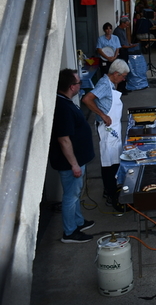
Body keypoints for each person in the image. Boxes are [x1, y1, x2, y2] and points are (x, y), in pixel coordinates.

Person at [51, 69, 96, 243]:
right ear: (72, 87)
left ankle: (78, 222)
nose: (80, 85)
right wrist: (74, 164)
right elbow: (64, 140)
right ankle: (69, 232)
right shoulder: (62, 107)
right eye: (79, 83)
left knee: (75, 194)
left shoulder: (65, 101)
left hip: (76, 161)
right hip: (70, 164)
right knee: (70, 196)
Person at [82, 59, 130, 215]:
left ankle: (111, 189)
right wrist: (101, 114)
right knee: (108, 162)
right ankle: (111, 193)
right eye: (123, 76)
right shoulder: (104, 84)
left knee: (115, 159)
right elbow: (87, 99)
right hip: (107, 128)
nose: (124, 79)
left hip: (114, 126)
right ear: (115, 74)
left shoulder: (111, 83)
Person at [113, 16, 138, 94]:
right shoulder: (118, 31)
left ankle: (123, 87)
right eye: (126, 25)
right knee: (122, 69)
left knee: (124, 69)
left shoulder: (122, 30)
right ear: (122, 23)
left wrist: (129, 44)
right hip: (122, 51)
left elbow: (125, 42)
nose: (127, 26)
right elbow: (122, 45)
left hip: (125, 50)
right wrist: (130, 46)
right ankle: (121, 88)